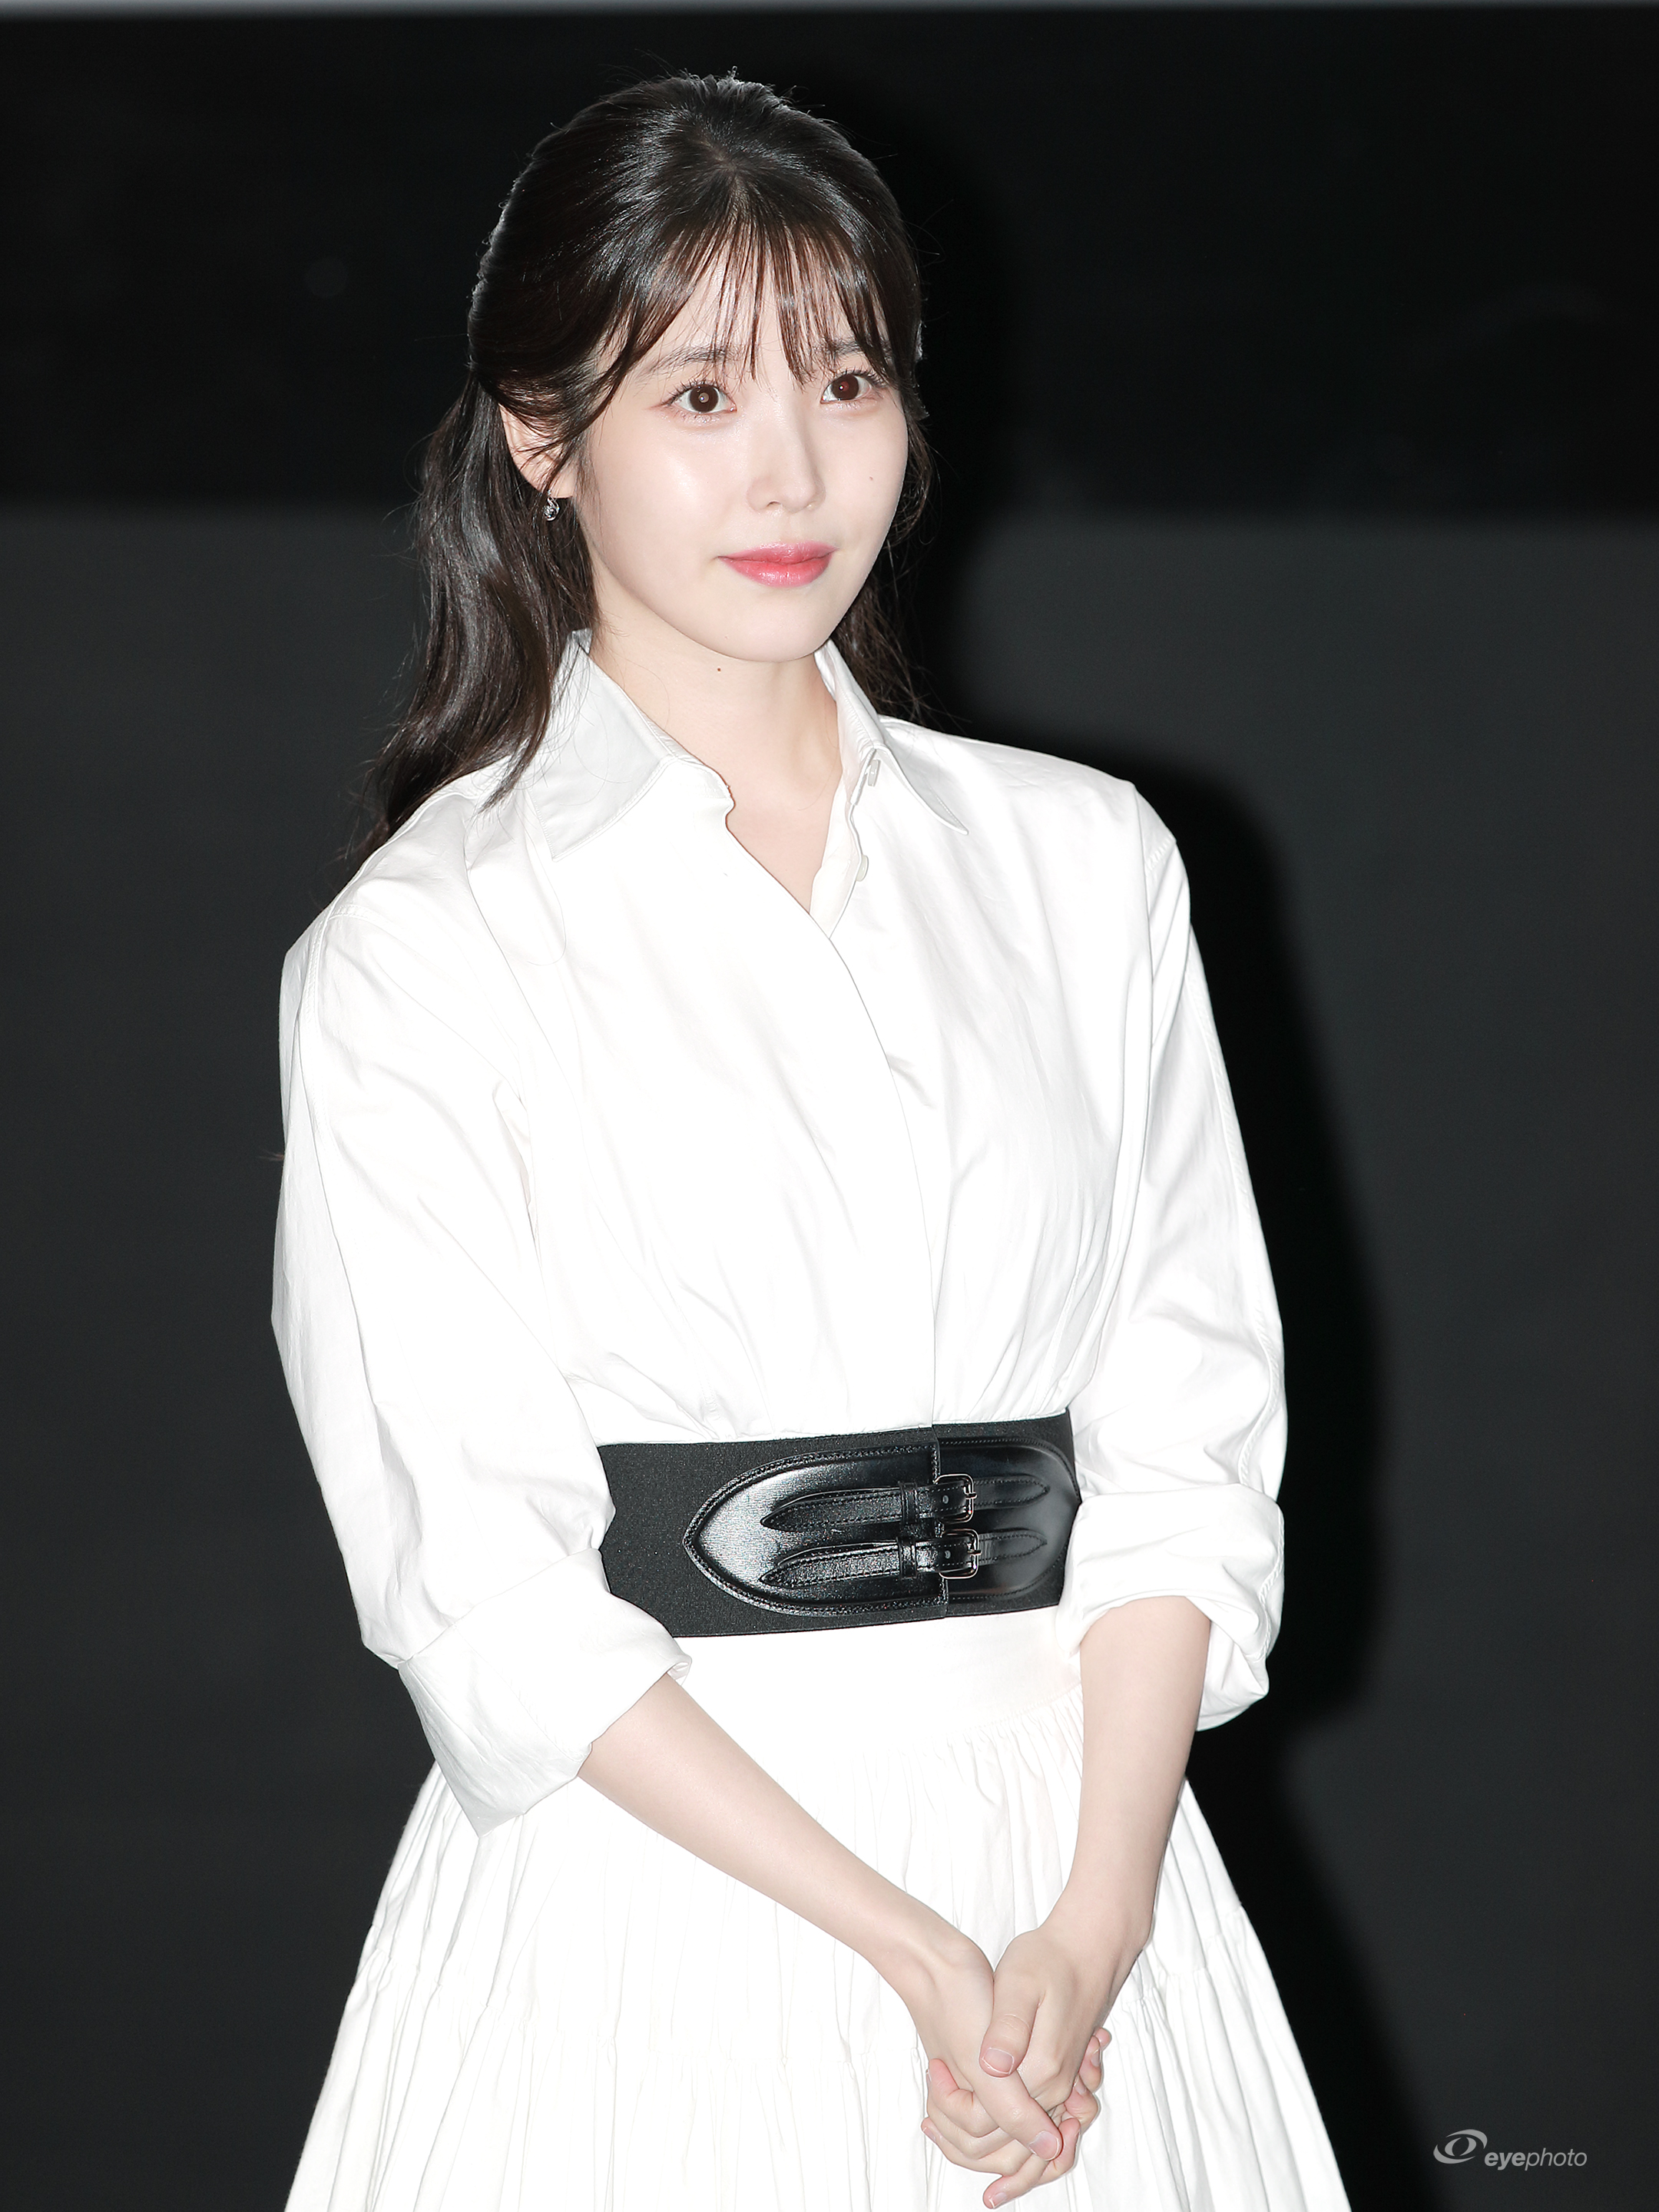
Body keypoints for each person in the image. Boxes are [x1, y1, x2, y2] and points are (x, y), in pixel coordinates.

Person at [273, 71, 1349, 2212]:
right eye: (698, 396)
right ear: (542, 437)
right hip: (648, 1917)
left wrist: (1090, 1925)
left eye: (845, 383)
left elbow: (1187, 1444)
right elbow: (482, 1593)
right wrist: (910, 1953)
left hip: (1090, 1898)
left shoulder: (1086, 868)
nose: (789, 470)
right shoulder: (426, 945)